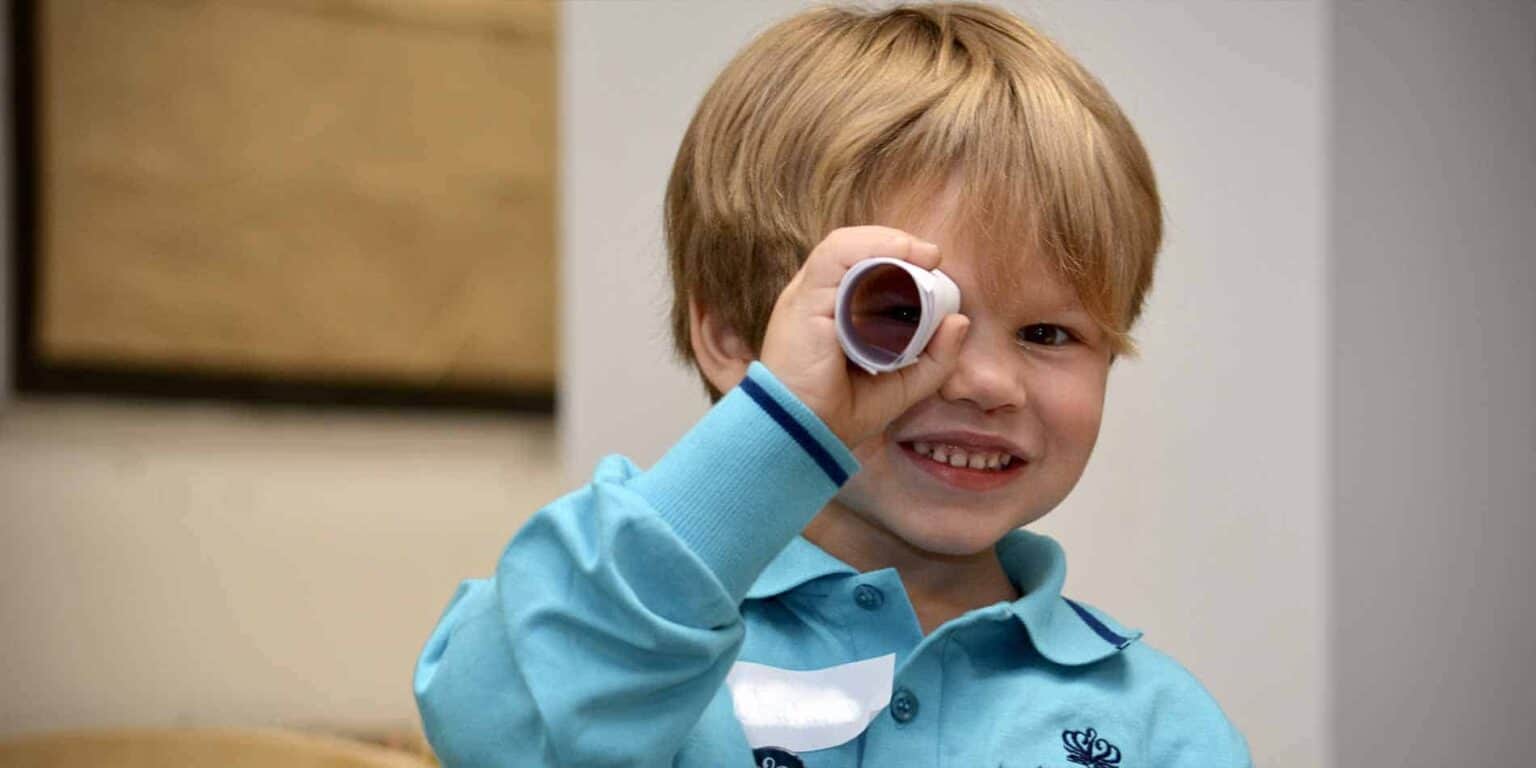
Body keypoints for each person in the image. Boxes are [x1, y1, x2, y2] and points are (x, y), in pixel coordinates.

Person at [414, 3, 1252, 766]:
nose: (991, 381)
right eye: (905, 317)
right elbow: (503, 733)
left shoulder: (1153, 726)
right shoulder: (650, 657)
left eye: (1048, 333)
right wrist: (775, 431)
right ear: (732, 337)